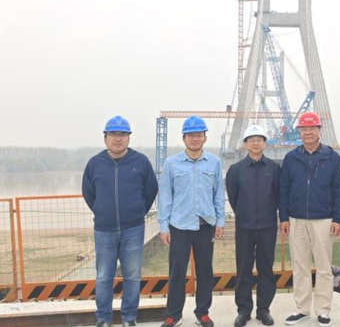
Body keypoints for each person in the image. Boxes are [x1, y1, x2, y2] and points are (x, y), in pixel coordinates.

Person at [82, 115, 159, 327]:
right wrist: (101, 211)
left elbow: (151, 190)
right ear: (105, 138)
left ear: (129, 138)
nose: (118, 139)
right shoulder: (95, 164)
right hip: (104, 230)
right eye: (113, 134)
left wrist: (138, 212)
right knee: (103, 276)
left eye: (123, 134)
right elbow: (88, 192)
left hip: (133, 229)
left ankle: (129, 317)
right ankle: (103, 318)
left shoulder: (140, 162)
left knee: (132, 276)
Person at [157, 116, 225, 327]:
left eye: (199, 135)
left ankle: (202, 312)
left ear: (205, 137)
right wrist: (164, 226)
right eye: (191, 135)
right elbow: (165, 196)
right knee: (177, 272)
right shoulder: (172, 163)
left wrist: (220, 221)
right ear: (184, 138)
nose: (195, 139)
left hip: (205, 225)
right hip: (179, 226)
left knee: (205, 272)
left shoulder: (214, 162)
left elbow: (218, 194)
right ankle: (173, 314)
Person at [279, 112, 340, 327]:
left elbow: (338, 189)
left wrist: (338, 218)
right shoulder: (291, 157)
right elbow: (284, 188)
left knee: (324, 267)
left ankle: (323, 310)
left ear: (319, 131)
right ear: (298, 132)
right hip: (296, 219)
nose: (308, 132)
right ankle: (302, 309)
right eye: (304, 129)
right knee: (300, 266)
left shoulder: (331, 157)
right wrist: (283, 217)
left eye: (312, 128)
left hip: (323, 219)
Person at [226, 125, 281, 327]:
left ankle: (263, 310)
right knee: (243, 269)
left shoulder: (274, 169)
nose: (255, 143)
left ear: (265, 143)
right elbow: (233, 197)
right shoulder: (236, 170)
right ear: (245, 144)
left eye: (259, 139)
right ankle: (244, 311)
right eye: (251, 140)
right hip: (244, 227)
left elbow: (279, 196)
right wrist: (244, 213)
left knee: (266, 269)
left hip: (267, 226)